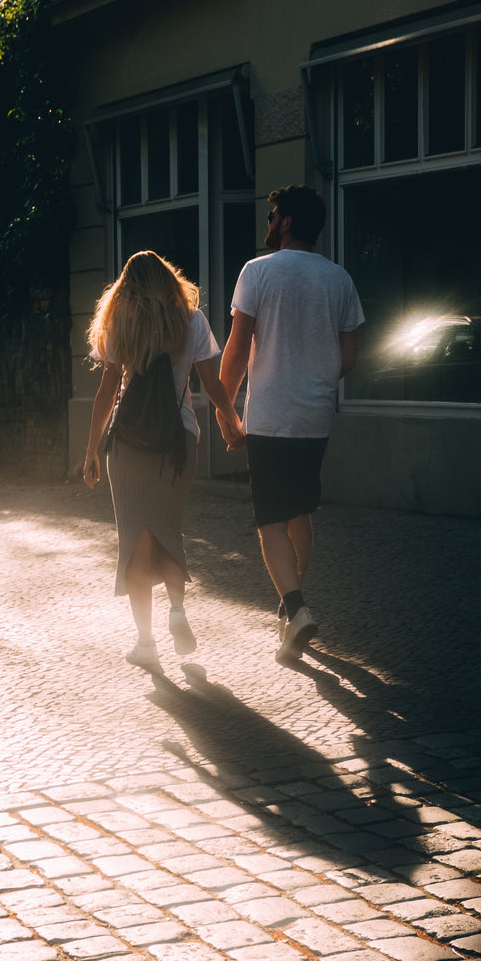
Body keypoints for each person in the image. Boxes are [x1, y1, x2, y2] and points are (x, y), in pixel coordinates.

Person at [217, 184, 364, 662]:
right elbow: (348, 357)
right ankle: (289, 613)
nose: (268, 223)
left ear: (285, 222)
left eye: (272, 215)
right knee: (299, 512)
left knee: (270, 521)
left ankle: (296, 608)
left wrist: (225, 408)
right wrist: (313, 374)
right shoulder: (338, 278)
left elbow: (236, 349)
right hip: (315, 417)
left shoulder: (257, 272)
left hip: (271, 417)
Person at [84, 251, 244, 672]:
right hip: (179, 439)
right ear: (169, 281)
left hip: (129, 444)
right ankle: (177, 611)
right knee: (169, 531)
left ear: (127, 286)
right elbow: (211, 384)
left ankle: (146, 642)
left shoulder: (120, 322)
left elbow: (105, 393)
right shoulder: (192, 321)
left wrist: (90, 451)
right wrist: (233, 423)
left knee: (135, 539)